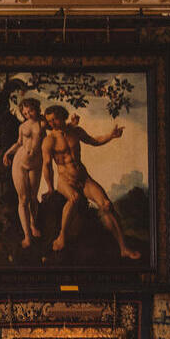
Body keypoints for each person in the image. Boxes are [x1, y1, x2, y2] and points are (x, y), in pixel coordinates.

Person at [43, 106, 141, 260]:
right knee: (74, 198)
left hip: (84, 178)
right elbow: (47, 165)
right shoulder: (49, 141)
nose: (52, 123)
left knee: (107, 205)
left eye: (55, 119)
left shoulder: (76, 132)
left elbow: (94, 141)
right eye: (49, 121)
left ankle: (124, 248)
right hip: (65, 181)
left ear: (62, 116)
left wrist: (111, 136)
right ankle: (61, 236)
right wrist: (49, 188)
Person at [0, 97, 46, 248]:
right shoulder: (22, 126)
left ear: (36, 108)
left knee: (33, 197)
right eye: (25, 112)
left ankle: (33, 224)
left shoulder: (43, 123)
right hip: (20, 162)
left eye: (30, 110)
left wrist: (71, 124)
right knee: (23, 199)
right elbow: (19, 143)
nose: (28, 114)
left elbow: (59, 128)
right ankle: (27, 236)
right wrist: (7, 153)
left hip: (36, 163)